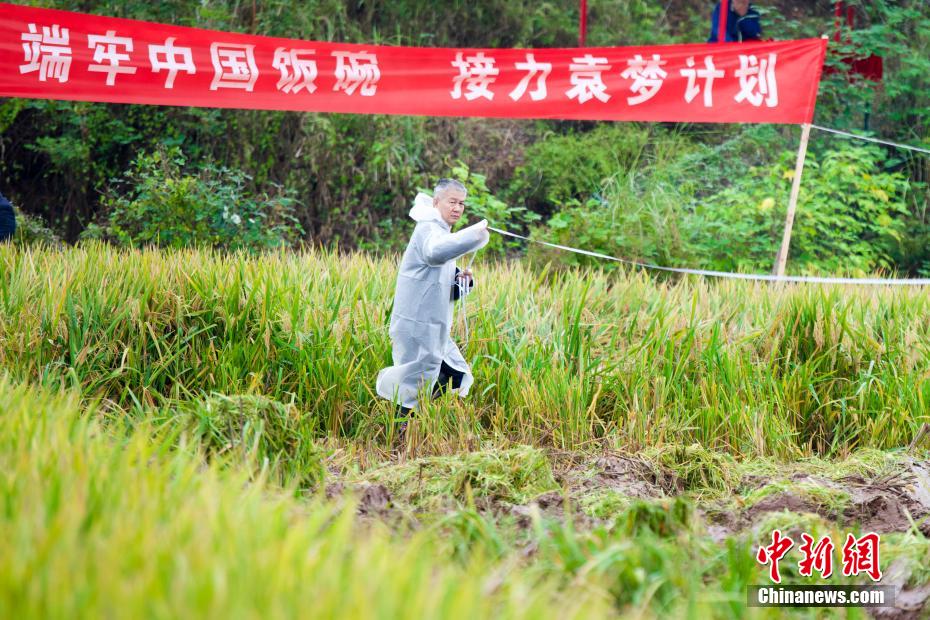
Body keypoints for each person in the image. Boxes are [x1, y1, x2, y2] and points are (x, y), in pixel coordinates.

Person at [376, 178, 490, 433]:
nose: (458, 208)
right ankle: (399, 428)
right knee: (420, 379)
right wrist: (474, 235)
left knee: (453, 375)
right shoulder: (428, 228)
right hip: (416, 324)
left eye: (462, 203)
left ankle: (407, 422)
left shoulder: (442, 232)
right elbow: (434, 253)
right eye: (452, 202)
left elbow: (441, 286)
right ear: (436, 201)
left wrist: (462, 282)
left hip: (433, 326)